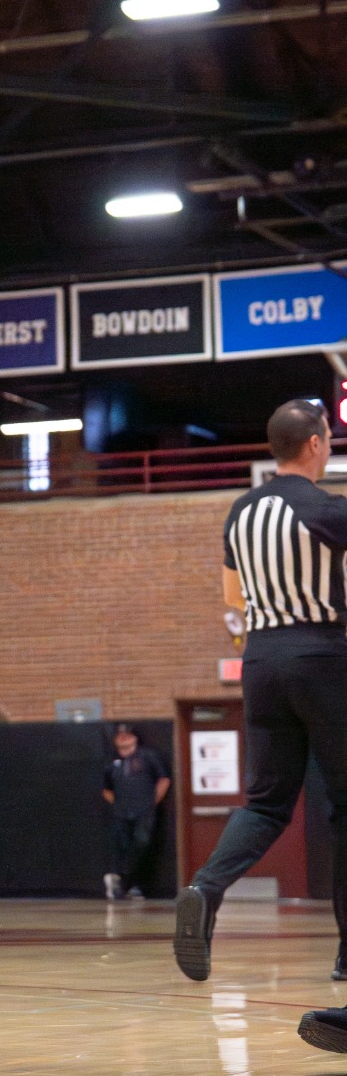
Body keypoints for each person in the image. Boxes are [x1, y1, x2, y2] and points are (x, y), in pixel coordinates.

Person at [181, 399, 347, 988]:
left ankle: (205, 888)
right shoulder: (329, 511)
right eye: (328, 438)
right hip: (322, 656)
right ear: (313, 446)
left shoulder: (239, 514)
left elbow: (233, 603)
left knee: (266, 803)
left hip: (259, 662)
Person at [102, 724, 169, 900]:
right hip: (122, 813)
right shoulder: (112, 761)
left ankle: (132, 882)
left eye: (127, 735)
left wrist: (151, 802)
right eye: (120, 735)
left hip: (144, 811)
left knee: (142, 843)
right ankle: (121, 885)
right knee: (122, 847)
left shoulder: (147, 756)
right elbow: (106, 789)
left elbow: (163, 779)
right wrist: (118, 804)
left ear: (134, 737)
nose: (123, 738)